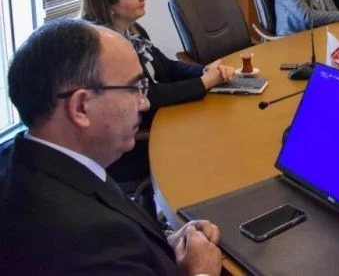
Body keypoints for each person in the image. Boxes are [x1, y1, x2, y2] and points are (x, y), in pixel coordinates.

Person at [0, 19, 223, 274]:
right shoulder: (84, 238)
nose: (144, 103)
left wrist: (164, 245)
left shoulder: (21, 158)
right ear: (81, 107)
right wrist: (202, 271)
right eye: (135, 88)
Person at [81, 0, 235, 183]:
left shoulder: (134, 32)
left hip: (160, 120)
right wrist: (204, 83)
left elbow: (168, 67)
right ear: (110, 4)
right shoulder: (102, 49)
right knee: (216, 137)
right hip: (134, 141)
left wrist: (207, 70)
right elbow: (148, 96)